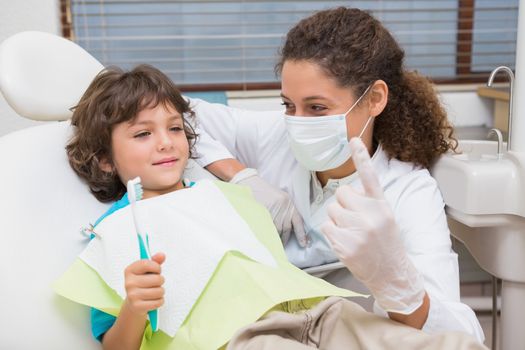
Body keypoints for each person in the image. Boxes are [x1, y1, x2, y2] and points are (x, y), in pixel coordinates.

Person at [58, 64, 487, 350]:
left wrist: (240, 178)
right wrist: (135, 306)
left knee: (452, 345)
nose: (167, 141)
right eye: (142, 134)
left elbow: (196, 120)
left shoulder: (223, 197)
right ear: (105, 159)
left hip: (319, 311)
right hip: (242, 337)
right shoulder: (116, 233)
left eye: (173, 128)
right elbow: (115, 346)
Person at [187, 7, 485, 342]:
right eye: (288, 104)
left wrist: (398, 284)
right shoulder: (273, 134)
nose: (297, 122)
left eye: (317, 108)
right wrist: (241, 176)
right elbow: (171, 111)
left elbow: (462, 337)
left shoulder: (407, 190)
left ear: (374, 99)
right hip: (261, 321)